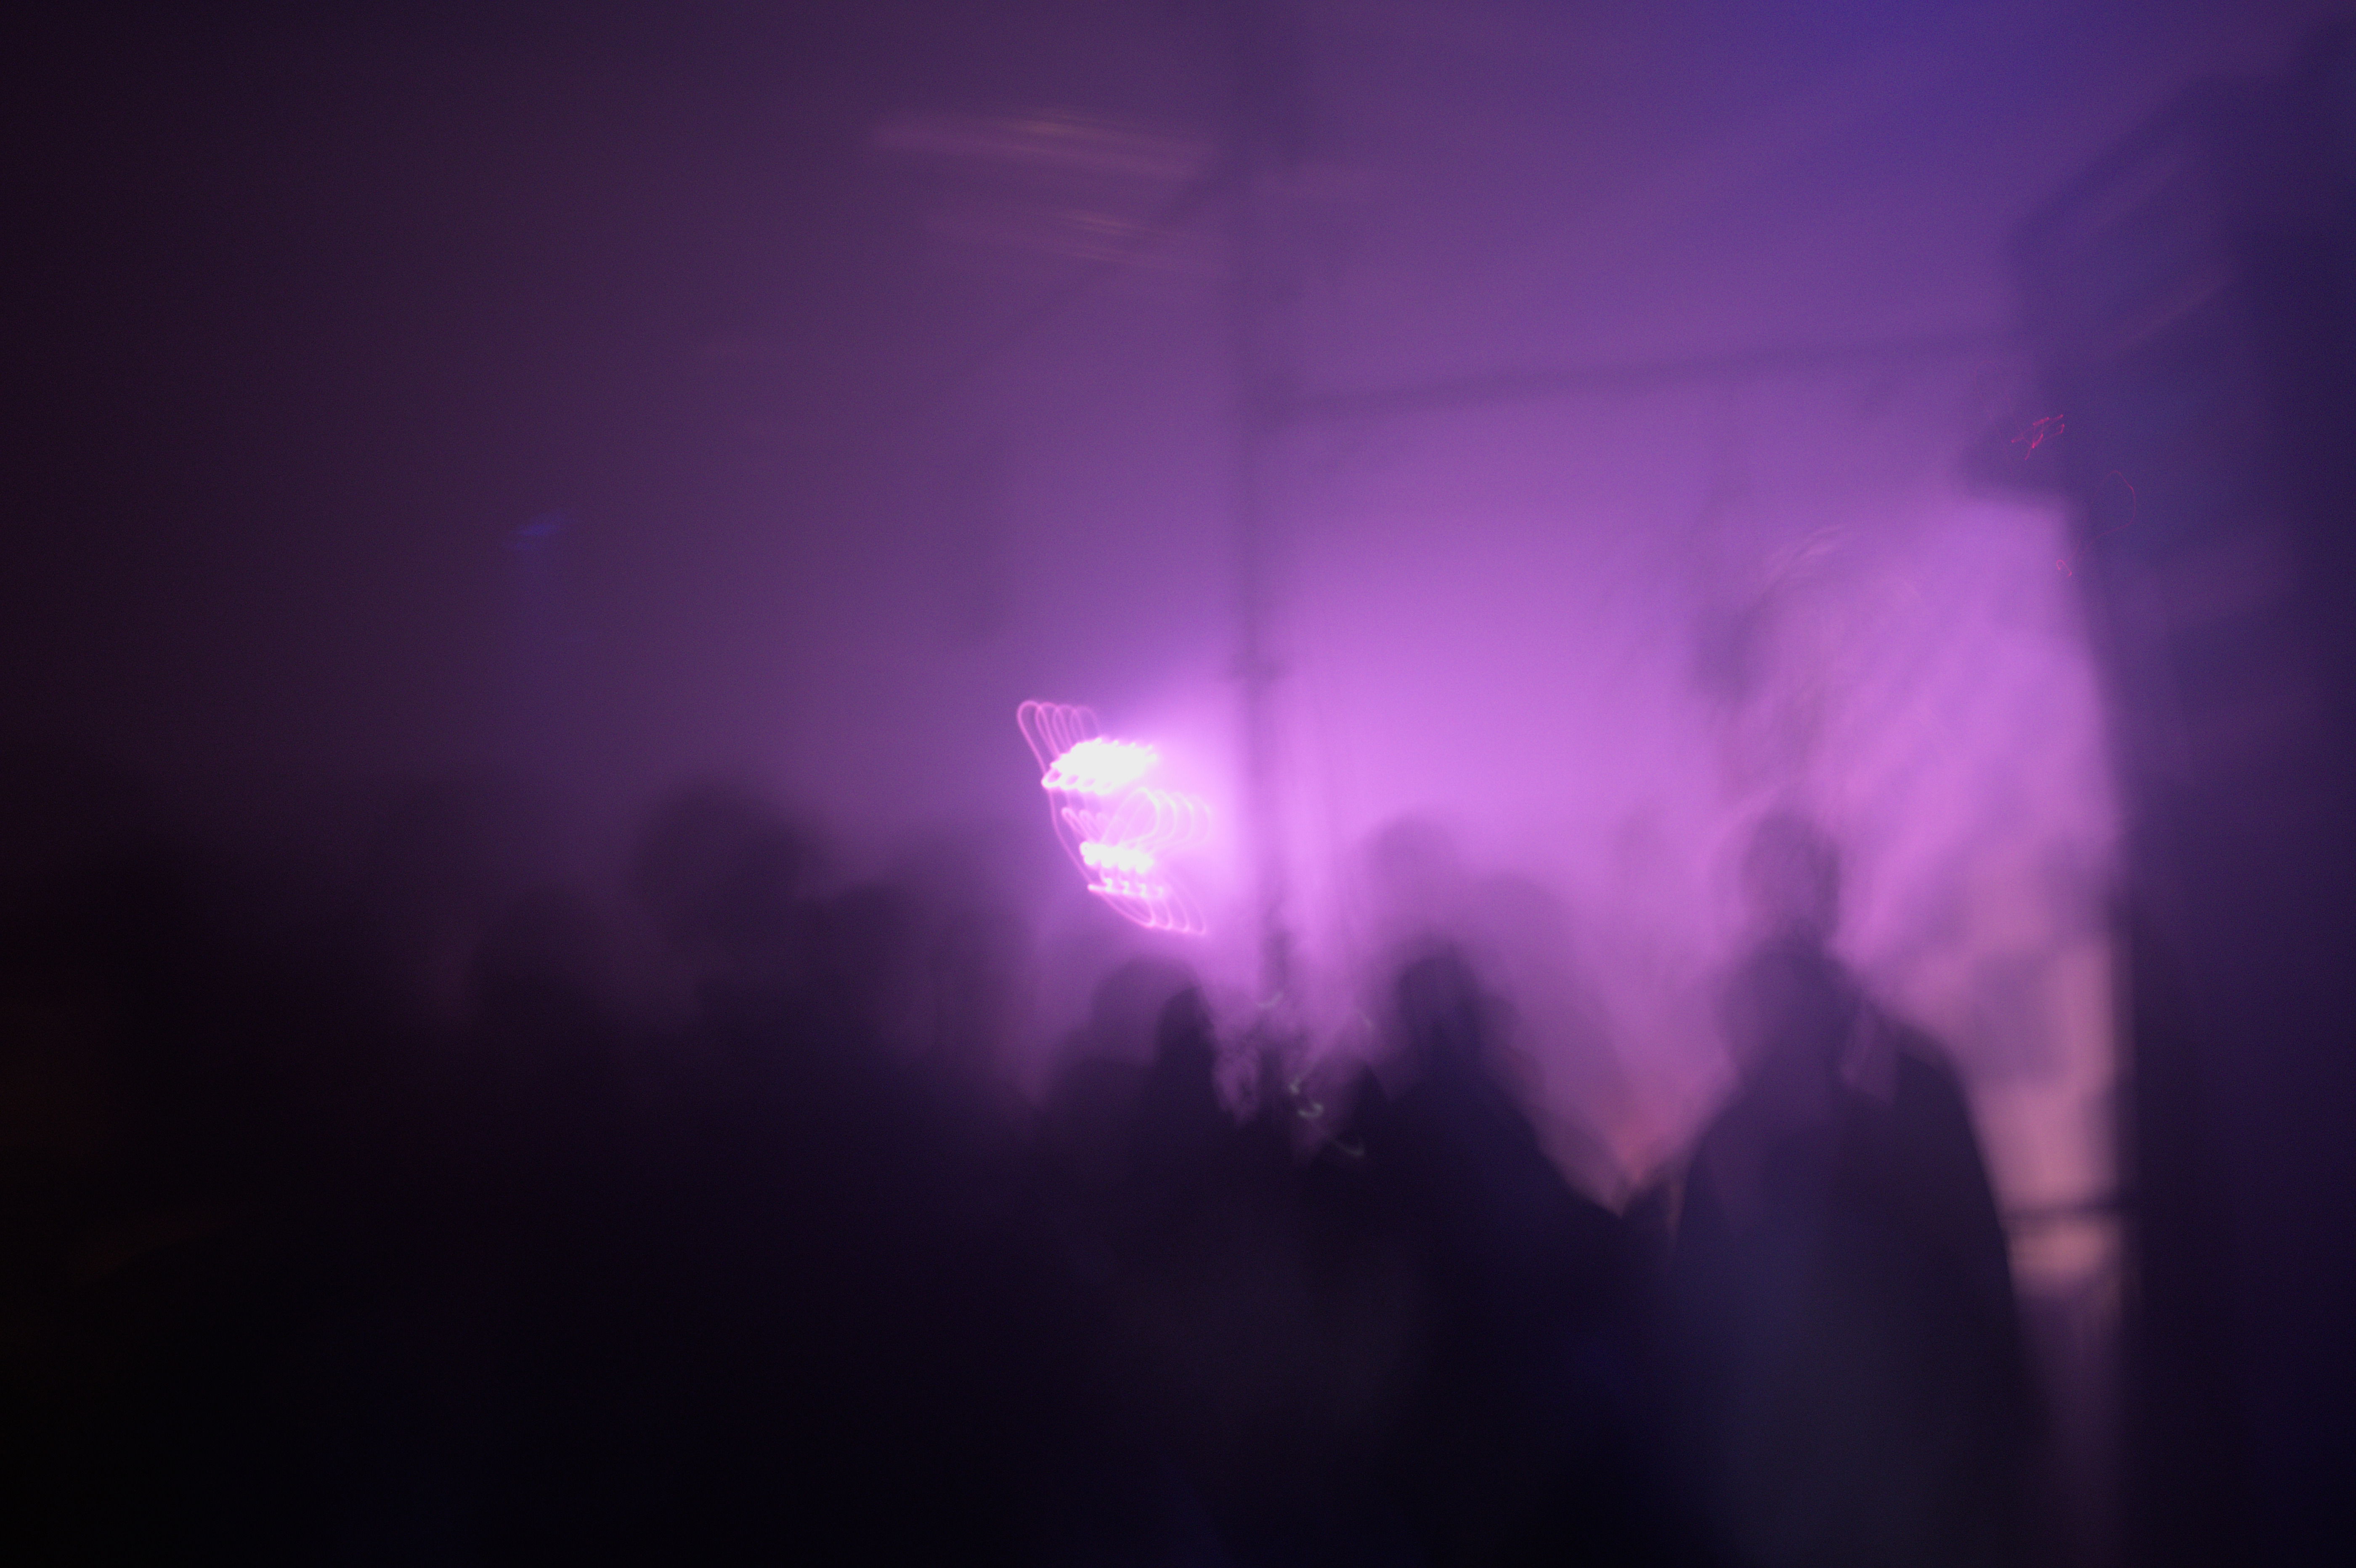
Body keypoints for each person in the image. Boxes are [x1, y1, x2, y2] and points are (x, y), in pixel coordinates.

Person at [1672, 813, 2041, 1567]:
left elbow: (1976, 1271)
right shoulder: (1738, 1133)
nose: (1786, 907)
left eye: (1799, 882)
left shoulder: (1908, 1084)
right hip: (1826, 1488)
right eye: (1769, 887)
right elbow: (1702, 1335)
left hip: (1908, 1476)